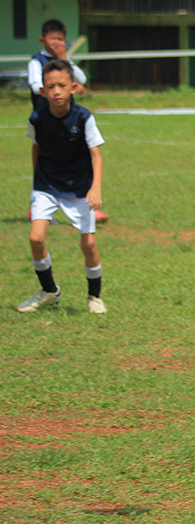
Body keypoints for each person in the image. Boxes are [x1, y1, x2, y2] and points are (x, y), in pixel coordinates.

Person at [18, 59, 107, 314]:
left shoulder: (83, 117)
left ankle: (94, 297)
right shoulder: (37, 119)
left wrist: (95, 187)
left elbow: (96, 155)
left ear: (74, 88)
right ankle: (49, 291)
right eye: (50, 86)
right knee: (35, 237)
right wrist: (36, 186)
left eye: (62, 85)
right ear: (42, 91)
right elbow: (36, 148)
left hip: (79, 186)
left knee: (88, 245)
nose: (56, 91)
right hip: (46, 184)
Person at [26, 19, 108, 224]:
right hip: (47, 122)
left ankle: (88, 203)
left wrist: (65, 59)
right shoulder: (36, 62)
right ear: (43, 40)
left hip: (69, 121)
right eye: (53, 38)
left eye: (61, 39)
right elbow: (35, 85)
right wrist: (54, 88)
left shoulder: (64, 62)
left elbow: (81, 78)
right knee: (45, 163)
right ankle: (36, 205)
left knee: (80, 160)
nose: (57, 43)